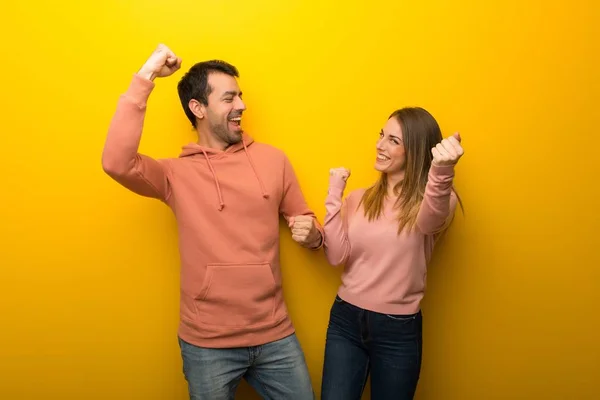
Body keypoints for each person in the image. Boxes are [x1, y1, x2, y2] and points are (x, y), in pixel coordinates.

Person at [101, 44, 322, 400]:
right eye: (229, 98)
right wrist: (147, 76)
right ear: (198, 108)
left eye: (241, 96)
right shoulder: (174, 175)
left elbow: (309, 224)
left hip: (275, 334)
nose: (241, 105)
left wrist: (313, 235)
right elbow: (116, 162)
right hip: (207, 344)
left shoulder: (273, 160)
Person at [320, 107, 464, 399]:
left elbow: (429, 220)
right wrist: (335, 193)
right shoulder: (360, 198)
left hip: (397, 330)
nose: (380, 145)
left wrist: (442, 170)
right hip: (345, 320)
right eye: (381, 135)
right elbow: (336, 256)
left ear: (416, 150)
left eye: (393, 141)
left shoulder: (440, 199)